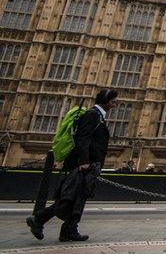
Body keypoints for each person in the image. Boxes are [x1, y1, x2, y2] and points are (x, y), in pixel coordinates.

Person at [27, 89, 117, 243]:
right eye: (113, 101)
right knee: (69, 198)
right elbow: (83, 139)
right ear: (106, 101)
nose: (115, 104)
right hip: (83, 165)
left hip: (90, 164)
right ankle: (39, 219)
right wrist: (84, 162)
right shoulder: (92, 115)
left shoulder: (98, 116)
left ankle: (69, 230)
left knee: (78, 197)